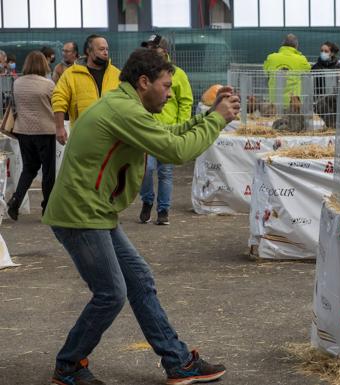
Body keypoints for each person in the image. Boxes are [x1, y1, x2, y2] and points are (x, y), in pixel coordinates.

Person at [42, 48, 240, 385]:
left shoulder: (127, 106)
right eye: (165, 86)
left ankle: (177, 362)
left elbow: (170, 134)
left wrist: (209, 115)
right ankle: (68, 365)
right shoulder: (123, 110)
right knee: (112, 293)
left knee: (140, 282)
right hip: (80, 213)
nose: (169, 92)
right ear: (144, 81)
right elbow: (176, 151)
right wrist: (218, 119)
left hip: (94, 212)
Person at [138, 34, 194, 225]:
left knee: (165, 172)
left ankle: (163, 211)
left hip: (170, 130)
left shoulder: (178, 74)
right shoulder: (144, 74)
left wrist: (181, 125)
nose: (152, 51)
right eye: (149, 48)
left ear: (165, 51)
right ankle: (147, 200)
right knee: (146, 169)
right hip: (148, 129)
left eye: (155, 48)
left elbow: (186, 101)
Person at [6, 51, 56, 221]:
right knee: (48, 171)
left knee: (29, 168)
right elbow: (55, 105)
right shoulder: (48, 85)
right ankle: (47, 207)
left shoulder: (17, 83)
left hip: (24, 132)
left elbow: (14, 106)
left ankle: (15, 201)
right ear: (44, 64)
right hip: (45, 131)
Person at [52, 34, 121, 144]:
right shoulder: (71, 74)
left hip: (111, 136)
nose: (106, 52)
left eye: (107, 49)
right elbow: (58, 99)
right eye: (101, 49)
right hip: (82, 136)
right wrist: (59, 127)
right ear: (89, 51)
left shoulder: (116, 74)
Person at [263, 33, 311, 106]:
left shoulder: (271, 58)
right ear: (296, 46)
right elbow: (308, 70)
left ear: (282, 45)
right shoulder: (301, 59)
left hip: (274, 103)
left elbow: (266, 73)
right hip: (293, 104)